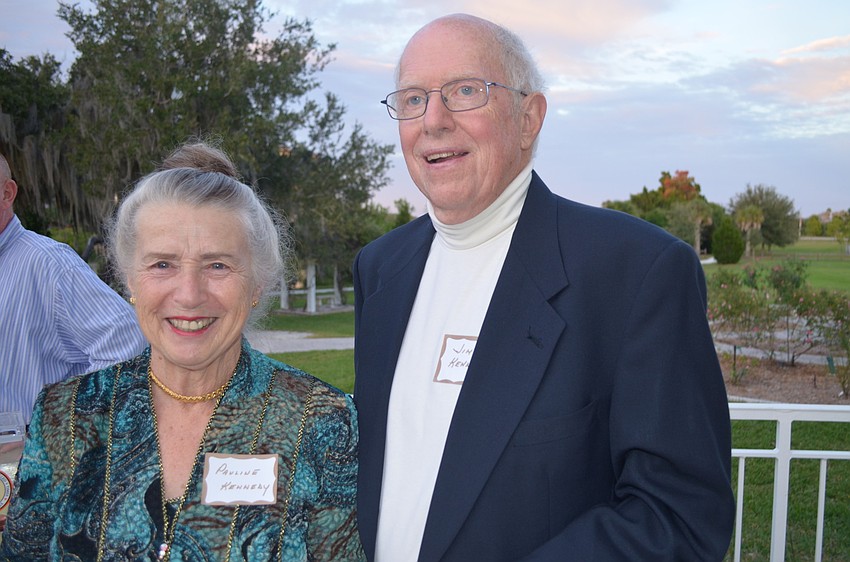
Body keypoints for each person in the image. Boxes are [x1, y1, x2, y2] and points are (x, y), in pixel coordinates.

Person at [352, 13, 735, 561]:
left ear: (529, 118)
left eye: (464, 91)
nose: (433, 120)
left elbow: (678, 515)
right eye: (412, 99)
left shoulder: (636, 271)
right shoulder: (379, 269)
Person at [0, 142, 364, 560]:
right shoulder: (62, 415)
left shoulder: (319, 419)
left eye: (218, 265)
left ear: (257, 284)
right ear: (130, 280)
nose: (189, 296)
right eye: (162, 264)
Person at [0, 153, 147, 424]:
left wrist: (57, 432)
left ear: (7, 193)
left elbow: (126, 341)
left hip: (24, 461)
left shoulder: (49, 264)